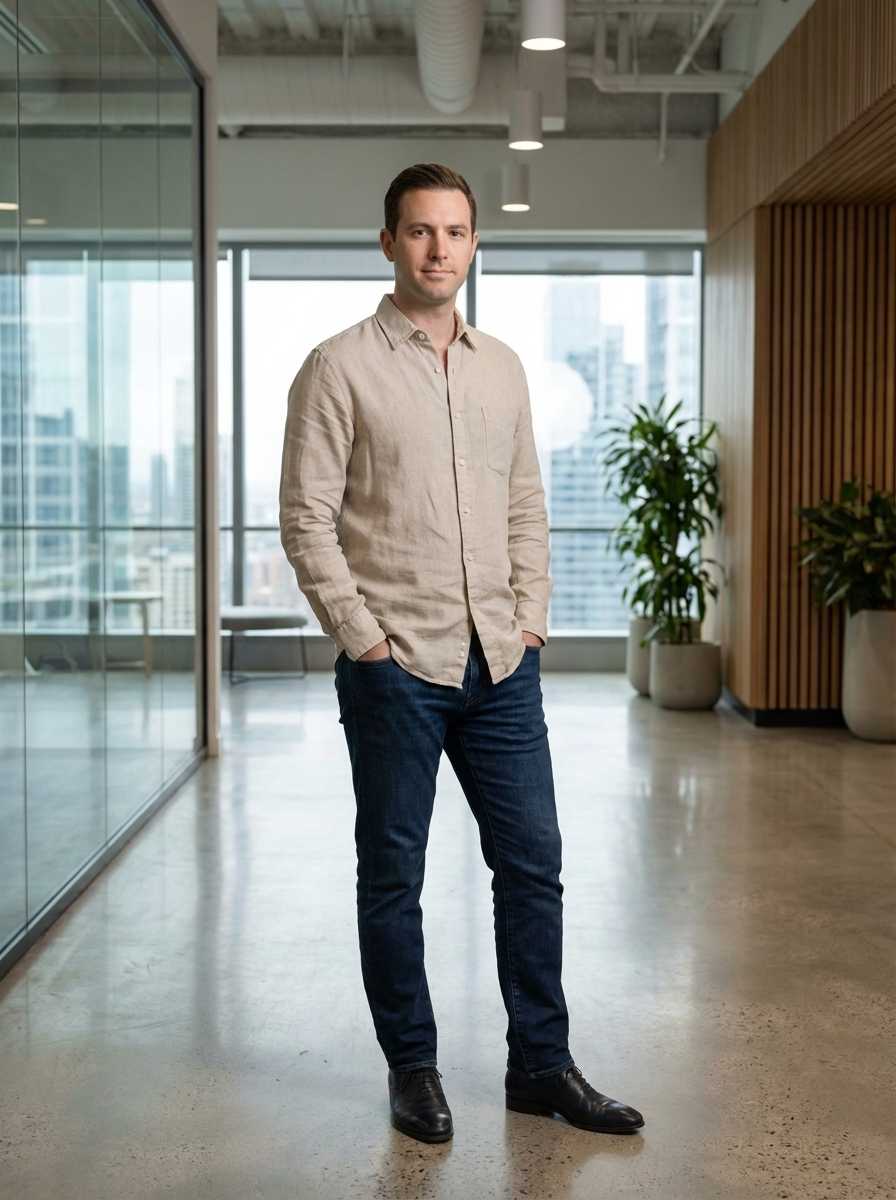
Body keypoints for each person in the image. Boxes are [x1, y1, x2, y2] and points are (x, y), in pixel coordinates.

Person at [279, 163, 645, 1144]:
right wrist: (363, 639)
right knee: (391, 876)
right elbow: (306, 520)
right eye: (418, 231)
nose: (438, 249)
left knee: (532, 864)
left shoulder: (503, 367)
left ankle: (541, 1067)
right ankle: (412, 1069)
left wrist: (529, 618)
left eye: (454, 232)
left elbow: (525, 501)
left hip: (499, 665)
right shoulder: (337, 365)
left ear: (475, 244)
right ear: (388, 243)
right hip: (395, 668)